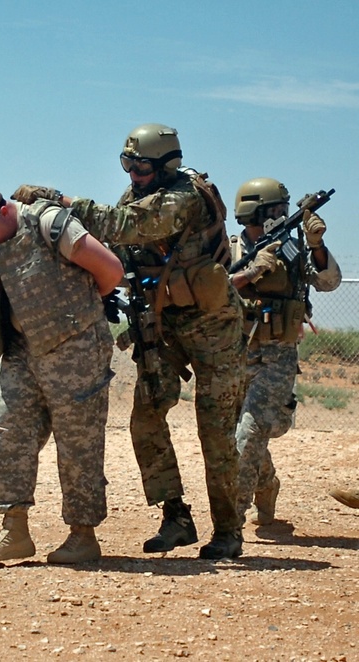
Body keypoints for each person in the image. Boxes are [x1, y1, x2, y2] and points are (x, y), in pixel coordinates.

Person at [13, 123, 247, 559]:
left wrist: (61, 202)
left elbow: (126, 226)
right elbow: (119, 247)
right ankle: (176, 517)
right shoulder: (134, 195)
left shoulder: (185, 197)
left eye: (140, 166)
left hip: (214, 325)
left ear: (165, 165)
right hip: (163, 324)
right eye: (127, 164)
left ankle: (229, 531)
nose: (133, 174)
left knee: (214, 430)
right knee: (146, 419)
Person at [0, 187, 123, 564]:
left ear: (4, 213)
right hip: (22, 351)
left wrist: (78, 313)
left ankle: (83, 536)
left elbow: (111, 271)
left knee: (78, 442)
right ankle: (13, 530)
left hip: (75, 351)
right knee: (9, 428)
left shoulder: (48, 224)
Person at [228, 178, 342, 525]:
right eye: (277, 209)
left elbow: (328, 282)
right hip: (236, 352)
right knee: (238, 432)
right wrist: (251, 271)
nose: (283, 215)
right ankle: (267, 484)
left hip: (278, 354)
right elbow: (213, 288)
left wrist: (316, 244)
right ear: (255, 211)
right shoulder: (227, 248)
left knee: (251, 429)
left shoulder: (292, 249)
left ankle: (231, 521)